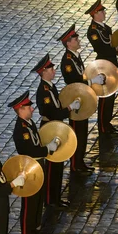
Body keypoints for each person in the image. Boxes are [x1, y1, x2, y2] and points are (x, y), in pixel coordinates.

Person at [9, 91, 57, 234]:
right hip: (28, 168)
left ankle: (35, 230)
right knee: (29, 204)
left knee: (37, 201)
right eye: (29, 107)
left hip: (37, 166)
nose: (32, 109)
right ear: (21, 109)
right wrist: (47, 149)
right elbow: (30, 150)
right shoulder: (21, 130)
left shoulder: (28, 124)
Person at [32, 54, 79, 209]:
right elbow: (52, 112)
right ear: (44, 72)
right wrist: (70, 109)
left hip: (55, 126)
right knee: (52, 166)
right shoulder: (44, 91)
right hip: (50, 128)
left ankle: (56, 197)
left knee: (58, 163)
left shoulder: (50, 86)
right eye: (51, 68)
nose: (54, 70)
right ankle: (50, 200)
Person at [60, 24, 100, 176]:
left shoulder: (75, 57)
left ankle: (80, 161)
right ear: (68, 43)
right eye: (75, 39)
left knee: (83, 133)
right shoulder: (68, 61)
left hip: (80, 97)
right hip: (75, 99)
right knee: (78, 133)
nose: (78, 41)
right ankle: (76, 165)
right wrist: (91, 82)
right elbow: (74, 81)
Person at [85, 0, 118, 135]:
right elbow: (103, 48)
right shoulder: (93, 32)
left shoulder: (105, 27)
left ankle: (107, 123)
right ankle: (102, 125)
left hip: (111, 62)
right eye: (102, 12)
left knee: (111, 95)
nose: (104, 14)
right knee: (105, 96)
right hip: (103, 65)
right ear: (95, 14)